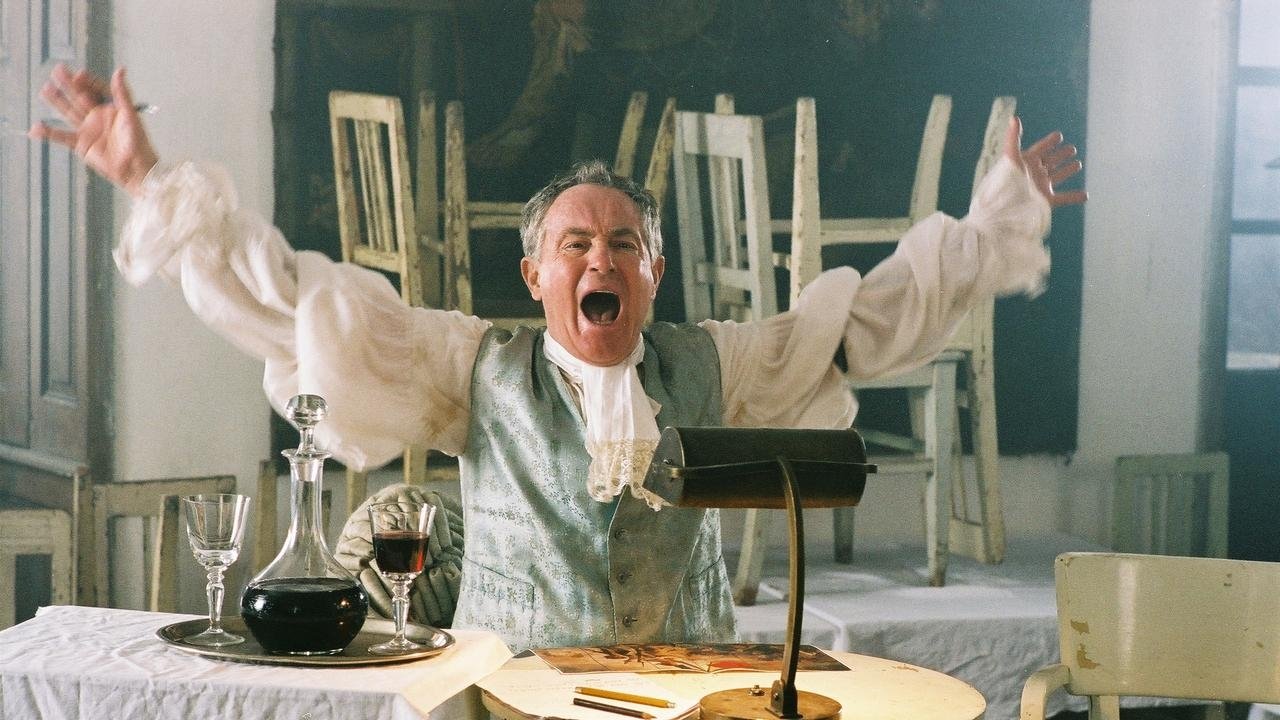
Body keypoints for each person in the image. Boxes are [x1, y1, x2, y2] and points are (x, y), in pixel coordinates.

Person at [31, 64, 1086, 651]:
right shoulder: (473, 366)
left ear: (653, 273)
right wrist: (153, 182)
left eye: (623, 244)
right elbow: (302, 309)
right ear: (535, 274)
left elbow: (871, 323)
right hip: (514, 698)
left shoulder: (716, 364)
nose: (600, 259)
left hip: (681, 691)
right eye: (575, 245)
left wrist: (995, 222)